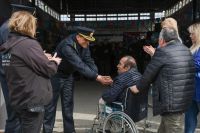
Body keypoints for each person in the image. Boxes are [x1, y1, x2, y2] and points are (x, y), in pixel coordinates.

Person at [43, 26, 113, 133]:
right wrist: (97, 78)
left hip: (68, 76)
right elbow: (79, 64)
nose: (88, 43)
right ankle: (47, 131)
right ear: (78, 37)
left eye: (89, 41)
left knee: (68, 106)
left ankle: (70, 130)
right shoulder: (67, 45)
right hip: (55, 76)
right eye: (86, 40)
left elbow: (88, 60)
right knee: (50, 107)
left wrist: (96, 74)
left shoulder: (84, 44)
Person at [0, 11, 61, 133]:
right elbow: (49, 69)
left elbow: (18, 65)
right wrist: (54, 61)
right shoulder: (29, 44)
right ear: (29, 25)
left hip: (18, 98)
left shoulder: (8, 45)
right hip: (32, 100)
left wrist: (40, 57)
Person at [130, 27, 195, 133]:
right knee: (165, 127)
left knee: (173, 127)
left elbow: (149, 73)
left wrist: (137, 88)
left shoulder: (162, 51)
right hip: (183, 99)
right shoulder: (186, 50)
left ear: (162, 40)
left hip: (170, 101)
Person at [0, 4, 36, 133]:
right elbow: (7, 58)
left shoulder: (9, 28)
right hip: (11, 79)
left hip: (11, 77)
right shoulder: (8, 30)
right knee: (15, 115)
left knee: (16, 115)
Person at [185, 22, 200, 133]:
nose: (190, 36)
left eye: (192, 34)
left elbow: (196, 65)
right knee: (189, 124)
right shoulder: (192, 48)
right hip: (191, 91)